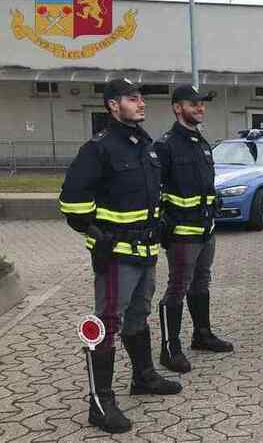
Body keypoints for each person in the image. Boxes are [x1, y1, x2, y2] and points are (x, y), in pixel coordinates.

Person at [59, 78, 181, 434]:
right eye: (132, 98)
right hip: (116, 257)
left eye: (141, 97)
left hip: (146, 252)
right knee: (107, 323)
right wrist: (98, 236)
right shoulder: (99, 149)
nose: (141, 103)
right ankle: (100, 403)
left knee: (139, 314)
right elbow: (71, 203)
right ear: (113, 105)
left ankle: (143, 377)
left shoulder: (143, 145)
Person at [156, 84, 233, 375]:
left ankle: (202, 335)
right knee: (177, 288)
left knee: (202, 283)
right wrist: (164, 225)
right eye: (194, 103)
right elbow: (154, 190)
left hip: (205, 228)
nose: (200, 108)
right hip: (182, 233)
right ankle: (169, 348)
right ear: (178, 108)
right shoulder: (165, 146)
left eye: (202, 104)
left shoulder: (200, 142)